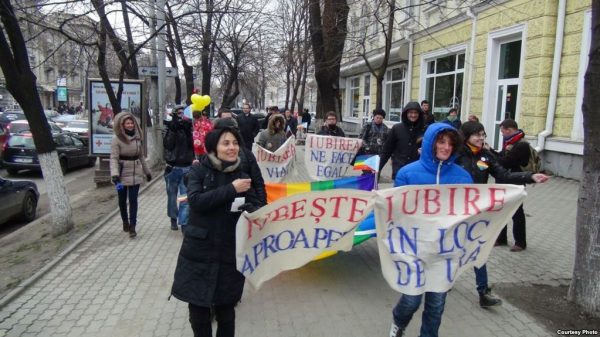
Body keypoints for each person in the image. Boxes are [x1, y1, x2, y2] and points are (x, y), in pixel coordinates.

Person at [171, 126, 264, 337]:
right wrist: (231, 189)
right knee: (198, 310)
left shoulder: (242, 173)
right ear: (214, 147)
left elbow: (254, 201)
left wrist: (253, 211)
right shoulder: (198, 170)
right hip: (199, 251)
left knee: (226, 310)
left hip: (229, 251)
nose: (232, 148)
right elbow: (195, 202)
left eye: (235, 143)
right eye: (226, 143)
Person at [390, 123, 473, 337]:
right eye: (441, 141)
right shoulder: (407, 174)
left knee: (436, 306)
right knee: (411, 300)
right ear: (430, 143)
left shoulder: (463, 177)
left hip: (444, 253)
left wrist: (524, 182)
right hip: (413, 249)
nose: (446, 147)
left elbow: (472, 211)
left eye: (451, 144)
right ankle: (399, 323)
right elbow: (396, 210)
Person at [456, 121, 549, 308]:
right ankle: (445, 281)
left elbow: (504, 174)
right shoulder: (456, 155)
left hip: (477, 209)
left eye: (483, 135)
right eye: (477, 135)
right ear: (465, 137)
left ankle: (483, 292)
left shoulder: (486, 156)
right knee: (453, 247)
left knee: (479, 249)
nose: (481, 138)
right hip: (456, 209)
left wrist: (530, 176)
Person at [494, 118, 539, 252]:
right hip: (505, 181)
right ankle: (501, 238)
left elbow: (506, 162)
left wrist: (490, 154)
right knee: (502, 210)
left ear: (509, 130)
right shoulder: (509, 142)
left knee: (516, 212)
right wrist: (490, 150)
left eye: (503, 131)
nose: (502, 134)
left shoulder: (521, 145)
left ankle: (520, 242)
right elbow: (501, 157)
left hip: (516, 182)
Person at [110, 112, 152, 238]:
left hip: (136, 173)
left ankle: (133, 226)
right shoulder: (116, 139)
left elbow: (141, 157)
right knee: (122, 200)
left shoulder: (137, 138)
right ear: (122, 125)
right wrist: (115, 175)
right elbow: (113, 158)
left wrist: (147, 172)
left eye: (131, 122)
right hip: (121, 174)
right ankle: (125, 221)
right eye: (127, 123)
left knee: (133, 200)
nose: (130, 125)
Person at [164, 105, 195, 231]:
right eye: (179, 113)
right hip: (172, 168)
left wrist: (188, 130)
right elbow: (168, 145)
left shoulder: (188, 128)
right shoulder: (171, 128)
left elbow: (193, 146)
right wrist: (173, 128)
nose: (181, 116)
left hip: (186, 167)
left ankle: (183, 222)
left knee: (184, 197)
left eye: (183, 113)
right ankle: (173, 218)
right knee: (172, 196)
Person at [379, 101, 425, 181]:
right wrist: (377, 168)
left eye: (416, 113)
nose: (413, 115)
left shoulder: (424, 130)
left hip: (417, 171)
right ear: (406, 113)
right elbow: (387, 150)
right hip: (399, 169)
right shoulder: (397, 128)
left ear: (419, 114)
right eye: (411, 112)